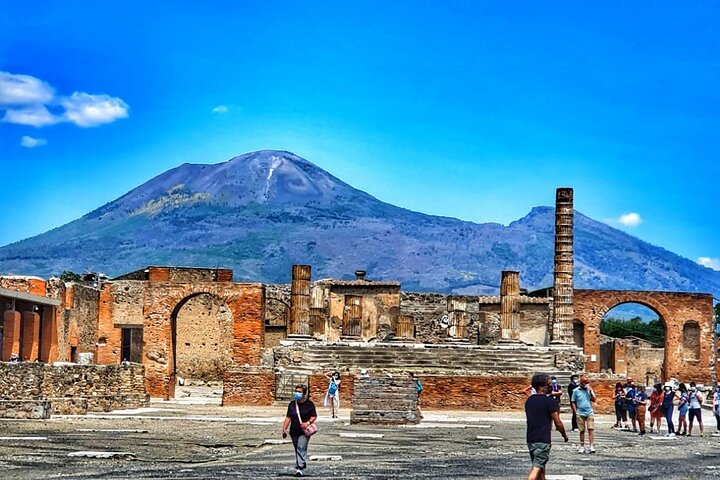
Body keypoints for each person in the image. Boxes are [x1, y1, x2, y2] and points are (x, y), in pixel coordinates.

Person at [524, 373, 569, 480]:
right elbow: (558, 422)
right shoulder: (549, 402)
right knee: (537, 467)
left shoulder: (529, 401)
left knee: (541, 468)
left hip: (531, 438)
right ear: (541, 387)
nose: (550, 387)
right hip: (543, 439)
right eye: (547, 385)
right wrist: (564, 435)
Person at [282, 384, 318, 477]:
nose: (297, 393)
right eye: (296, 391)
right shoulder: (292, 404)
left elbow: (314, 416)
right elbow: (288, 417)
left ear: (304, 393)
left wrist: (308, 423)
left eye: (299, 392)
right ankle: (301, 463)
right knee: (297, 449)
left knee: (301, 447)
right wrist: (284, 429)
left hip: (304, 431)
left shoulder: (309, 404)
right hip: (294, 430)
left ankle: (299, 468)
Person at [571, 376, 597, 453]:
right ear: (581, 383)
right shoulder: (576, 391)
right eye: (585, 383)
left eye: (587, 382)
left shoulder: (589, 390)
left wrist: (590, 392)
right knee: (581, 430)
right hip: (580, 412)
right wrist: (576, 412)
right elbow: (573, 401)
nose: (586, 384)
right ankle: (582, 446)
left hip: (589, 411)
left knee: (591, 429)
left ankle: (591, 446)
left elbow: (594, 399)